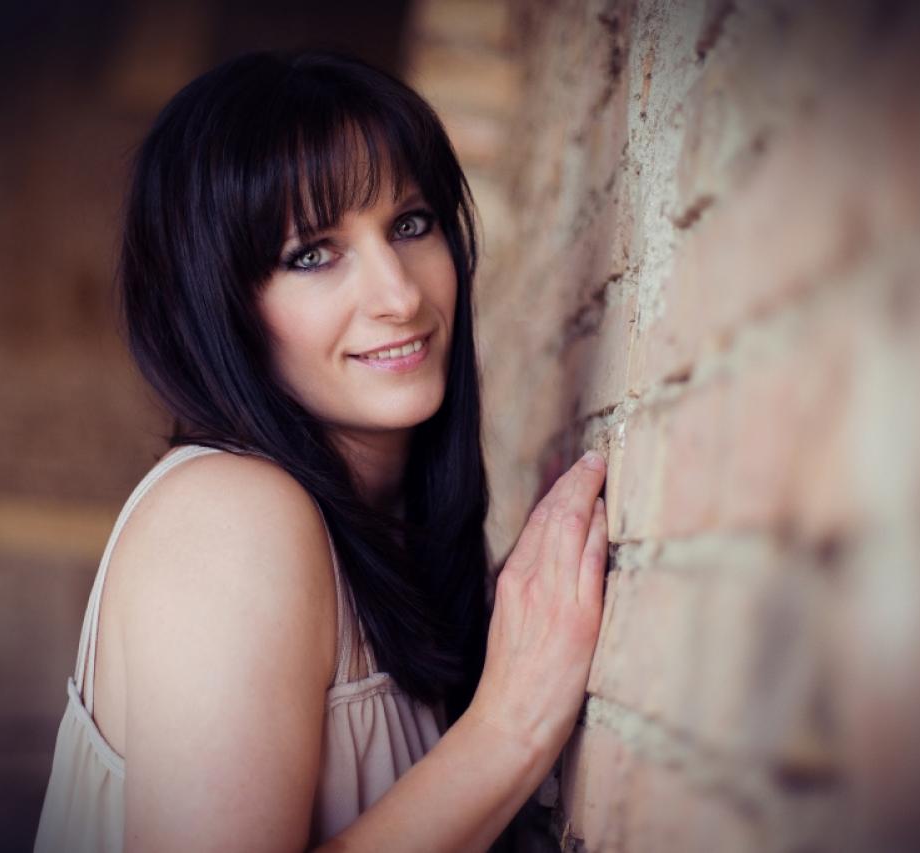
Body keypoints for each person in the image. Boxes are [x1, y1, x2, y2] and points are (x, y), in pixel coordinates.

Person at [33, 49, 607, 852]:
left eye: (411, 224)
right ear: (219, 309)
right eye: (312, 254)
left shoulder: (394, 544)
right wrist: (510, 726)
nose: (400, 294)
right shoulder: (230, 513)